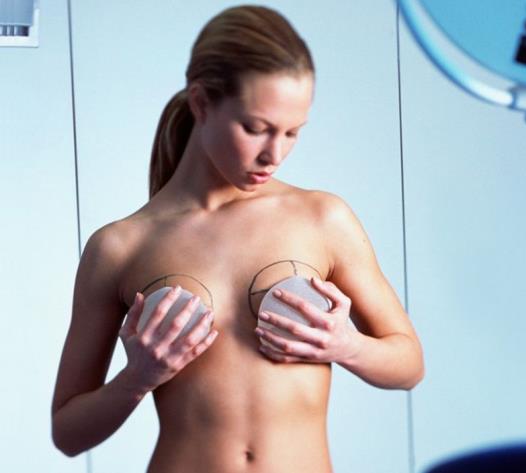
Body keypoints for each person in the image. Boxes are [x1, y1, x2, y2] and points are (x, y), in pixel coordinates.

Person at [51, 5, 424, 472]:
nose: (275, 154)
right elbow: (68, 433)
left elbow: (409, 364)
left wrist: (347, 346)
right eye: (256, 129)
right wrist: (137, 378)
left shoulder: (322, 218)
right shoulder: (120, 247)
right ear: (202, 103)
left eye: (292, 133)